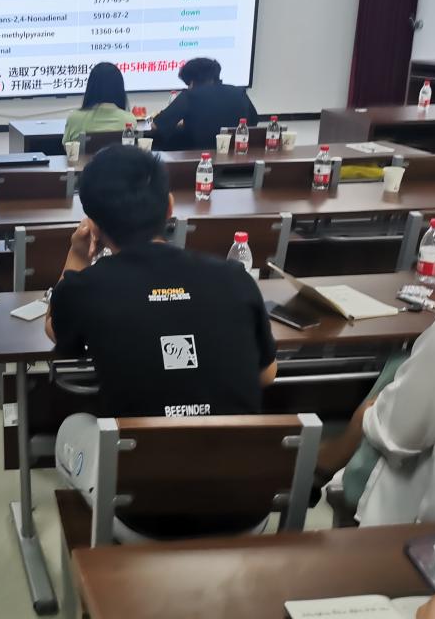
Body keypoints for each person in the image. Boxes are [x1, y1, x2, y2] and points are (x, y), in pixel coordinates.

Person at [45, 145, 277, 536]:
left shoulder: (85, 288)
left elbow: (55, 327)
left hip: (142, 518)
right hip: (246, 511)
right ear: (169, 207)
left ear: (94, 225)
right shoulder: (234, 277)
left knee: (72, 427)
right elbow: (266, 375)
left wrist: (76, 254)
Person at [317, 292, 435, 526]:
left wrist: (366, 418)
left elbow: (406, 432)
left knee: (395, 370)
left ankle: (327, 461)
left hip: (421, 525)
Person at [152, 57, 259, 151]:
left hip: (196, 159)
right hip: (237, 156)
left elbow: (157, 125)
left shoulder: (190, 95)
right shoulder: (239, 92)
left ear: (192, 82)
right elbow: (254, 121)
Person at [62, 62, 136, 145]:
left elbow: (67, 147)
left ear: (91, 87)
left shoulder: (74, 118)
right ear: (119, 89)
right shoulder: (129, 120)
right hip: (117, 154)